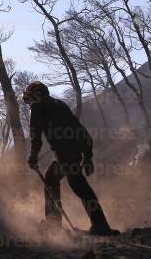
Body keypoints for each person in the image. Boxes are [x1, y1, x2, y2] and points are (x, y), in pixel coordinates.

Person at [23, 81, 119, 236]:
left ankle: (96, 227)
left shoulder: (37, 106)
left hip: (64, 154)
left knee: (80, 187)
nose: (29, 101)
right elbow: (81, 129)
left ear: (37, 94)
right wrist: (87, 156)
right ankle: (61, 224)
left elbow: (36, 136)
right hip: (75, 152)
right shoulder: (60, 104)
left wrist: (33, 156)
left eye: (30, 96)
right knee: (53, 178)